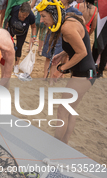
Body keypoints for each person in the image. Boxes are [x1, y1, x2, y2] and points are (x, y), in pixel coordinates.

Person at [37, 0, 96, 144]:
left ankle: (55, 146)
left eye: (44, 16)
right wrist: (63, 54)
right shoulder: (68, 18)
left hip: (83, 75)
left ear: (53, 15)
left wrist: (60, 70)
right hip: (88, 73)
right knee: (70, 111)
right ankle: (64, 145)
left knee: (62, 111)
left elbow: (82, 52)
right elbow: (80, 42)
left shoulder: (67, 28)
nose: (41, 20)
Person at [41, 0, 82, 84]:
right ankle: (45, 77)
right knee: (48, 56)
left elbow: (81, 21)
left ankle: (52, 80)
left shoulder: (73, 11)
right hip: (51, 35)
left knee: (56, 60)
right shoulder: (54, 7)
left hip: (61, 38)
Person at [6, 2, 36, 73]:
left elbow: (33, 26)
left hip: (22, 32)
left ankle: (16, 65)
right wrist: (6, 24)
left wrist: (34, 36)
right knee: (7, 45)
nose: (24, 17)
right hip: (11, 29)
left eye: (26, 15)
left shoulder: (31, 15)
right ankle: (6, 61)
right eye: (23, 15)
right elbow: (7, 16)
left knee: (19, 47)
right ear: (19, 10)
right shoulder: (14, 10)